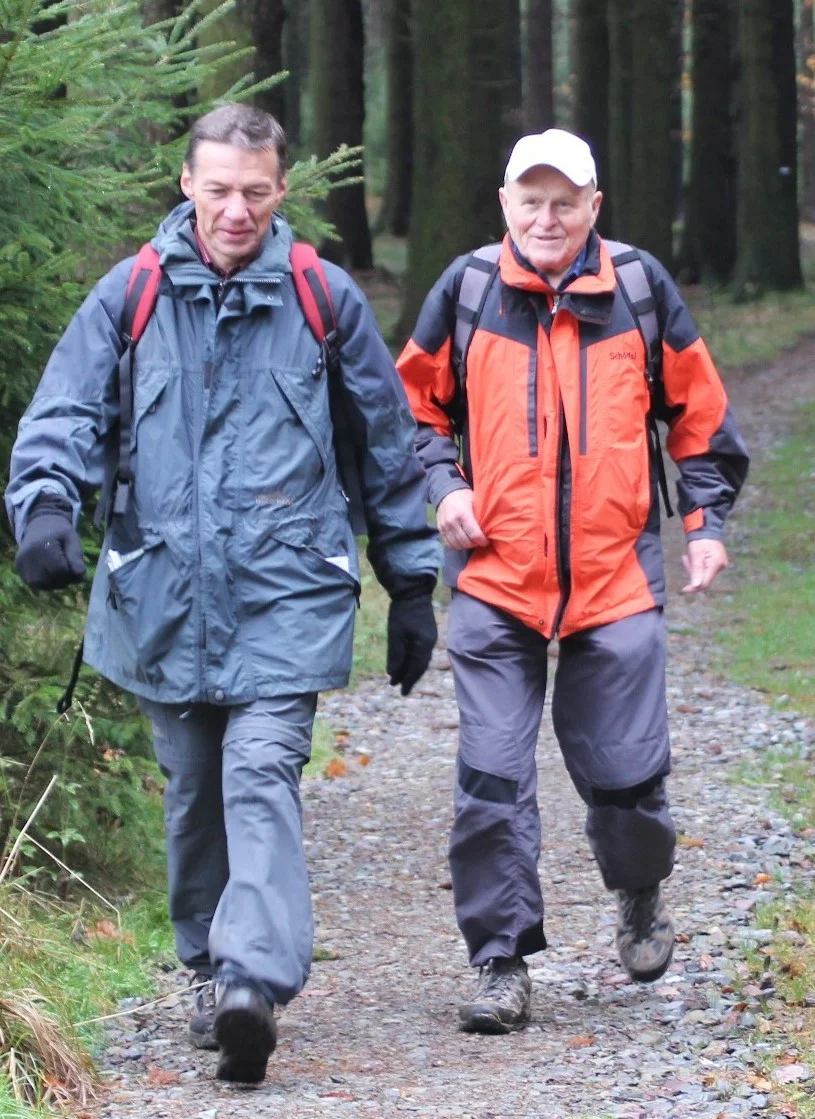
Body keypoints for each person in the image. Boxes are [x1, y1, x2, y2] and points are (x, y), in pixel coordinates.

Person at [6, 103, 439, 1082]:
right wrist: (42, 509)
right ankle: (206, 963)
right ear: (187, 185)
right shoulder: (132, 295)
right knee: (194, 795)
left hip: (287, 594)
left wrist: (409, 579)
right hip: (159, 598)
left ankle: (253, 979)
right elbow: (65, 414)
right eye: (218, 190)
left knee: (257, 776)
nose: (235, 209)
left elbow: (384, 442)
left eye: (254, 191)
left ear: (280, 190)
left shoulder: (323, 300)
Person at [396, 127, 748, 1034]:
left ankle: (637, 887)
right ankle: (499, 961)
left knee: (627, 777)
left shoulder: (636, 287)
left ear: (594, 206)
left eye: (565, 201)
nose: (546, 217)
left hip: (612, 580)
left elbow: (697, 415)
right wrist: (443, 487)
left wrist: (702, 523)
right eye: (530, 201)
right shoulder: (468, 289)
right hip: (494, 579)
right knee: (491, 778)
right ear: (504, 205)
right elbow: (410, 409)